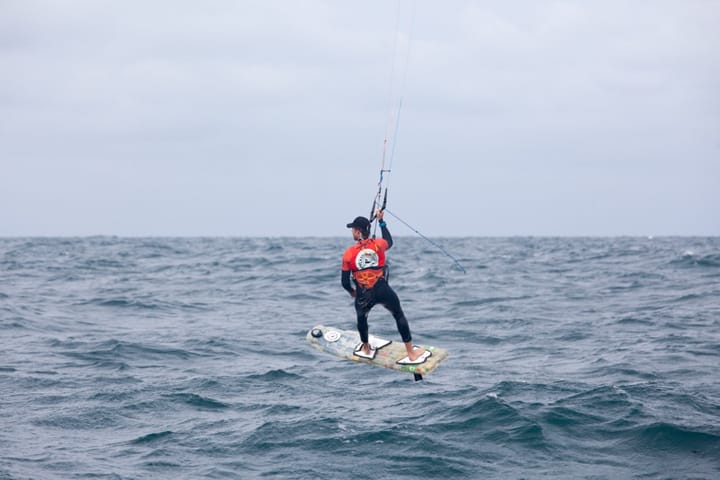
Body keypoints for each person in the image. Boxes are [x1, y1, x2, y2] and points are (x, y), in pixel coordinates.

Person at [341, 209, 427, 362]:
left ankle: (366, 348)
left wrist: (352, 292)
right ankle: (411, 353)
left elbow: (345, 282)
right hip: (382, 289)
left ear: (359, 232)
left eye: (353, 229)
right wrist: (381, 221)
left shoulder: (349, 254)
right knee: (398, 314)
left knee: (362, 318)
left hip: (363, 294)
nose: (352, 232)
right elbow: (389, 240)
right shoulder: (378, 244)